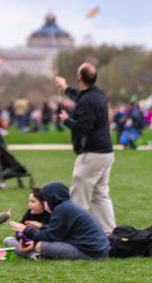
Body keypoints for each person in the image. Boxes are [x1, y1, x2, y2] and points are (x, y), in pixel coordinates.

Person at [55, 62, 116, 234]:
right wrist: (65, 87)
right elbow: (80, 97)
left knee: (78, 197)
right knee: (100, 195)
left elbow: (84, 127)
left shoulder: (88, 100)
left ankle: (77, 233)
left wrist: (66, 120)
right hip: (105, 153)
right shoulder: (96, 95)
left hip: (92, 154)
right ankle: (109, 232)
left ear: (79, 77)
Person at [9, 181, 109, 260]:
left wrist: (25, 229)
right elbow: (59, 231)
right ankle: (33, 254)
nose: (45, 202)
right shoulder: (67, 206)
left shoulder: (62, 209)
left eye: (46, 198)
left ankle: (33, 255)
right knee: (9, 240)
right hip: (99, 250)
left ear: (52, 196)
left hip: (90, 253)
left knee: (40, 246)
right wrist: (41, 226)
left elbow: (51, 236)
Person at [3, 188, 52, 255]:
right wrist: (22, 239)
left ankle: (31, 254)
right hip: (27, 242)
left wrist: (34, 242)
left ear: (43, 203)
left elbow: (49, 235)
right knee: (8, 240)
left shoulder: (50, 215)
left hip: (41, 243)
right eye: (29, 201)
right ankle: (32, 255)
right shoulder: (29, 213)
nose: (29, 204)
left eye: (33, 202)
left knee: (42, 245)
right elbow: (19, 231)